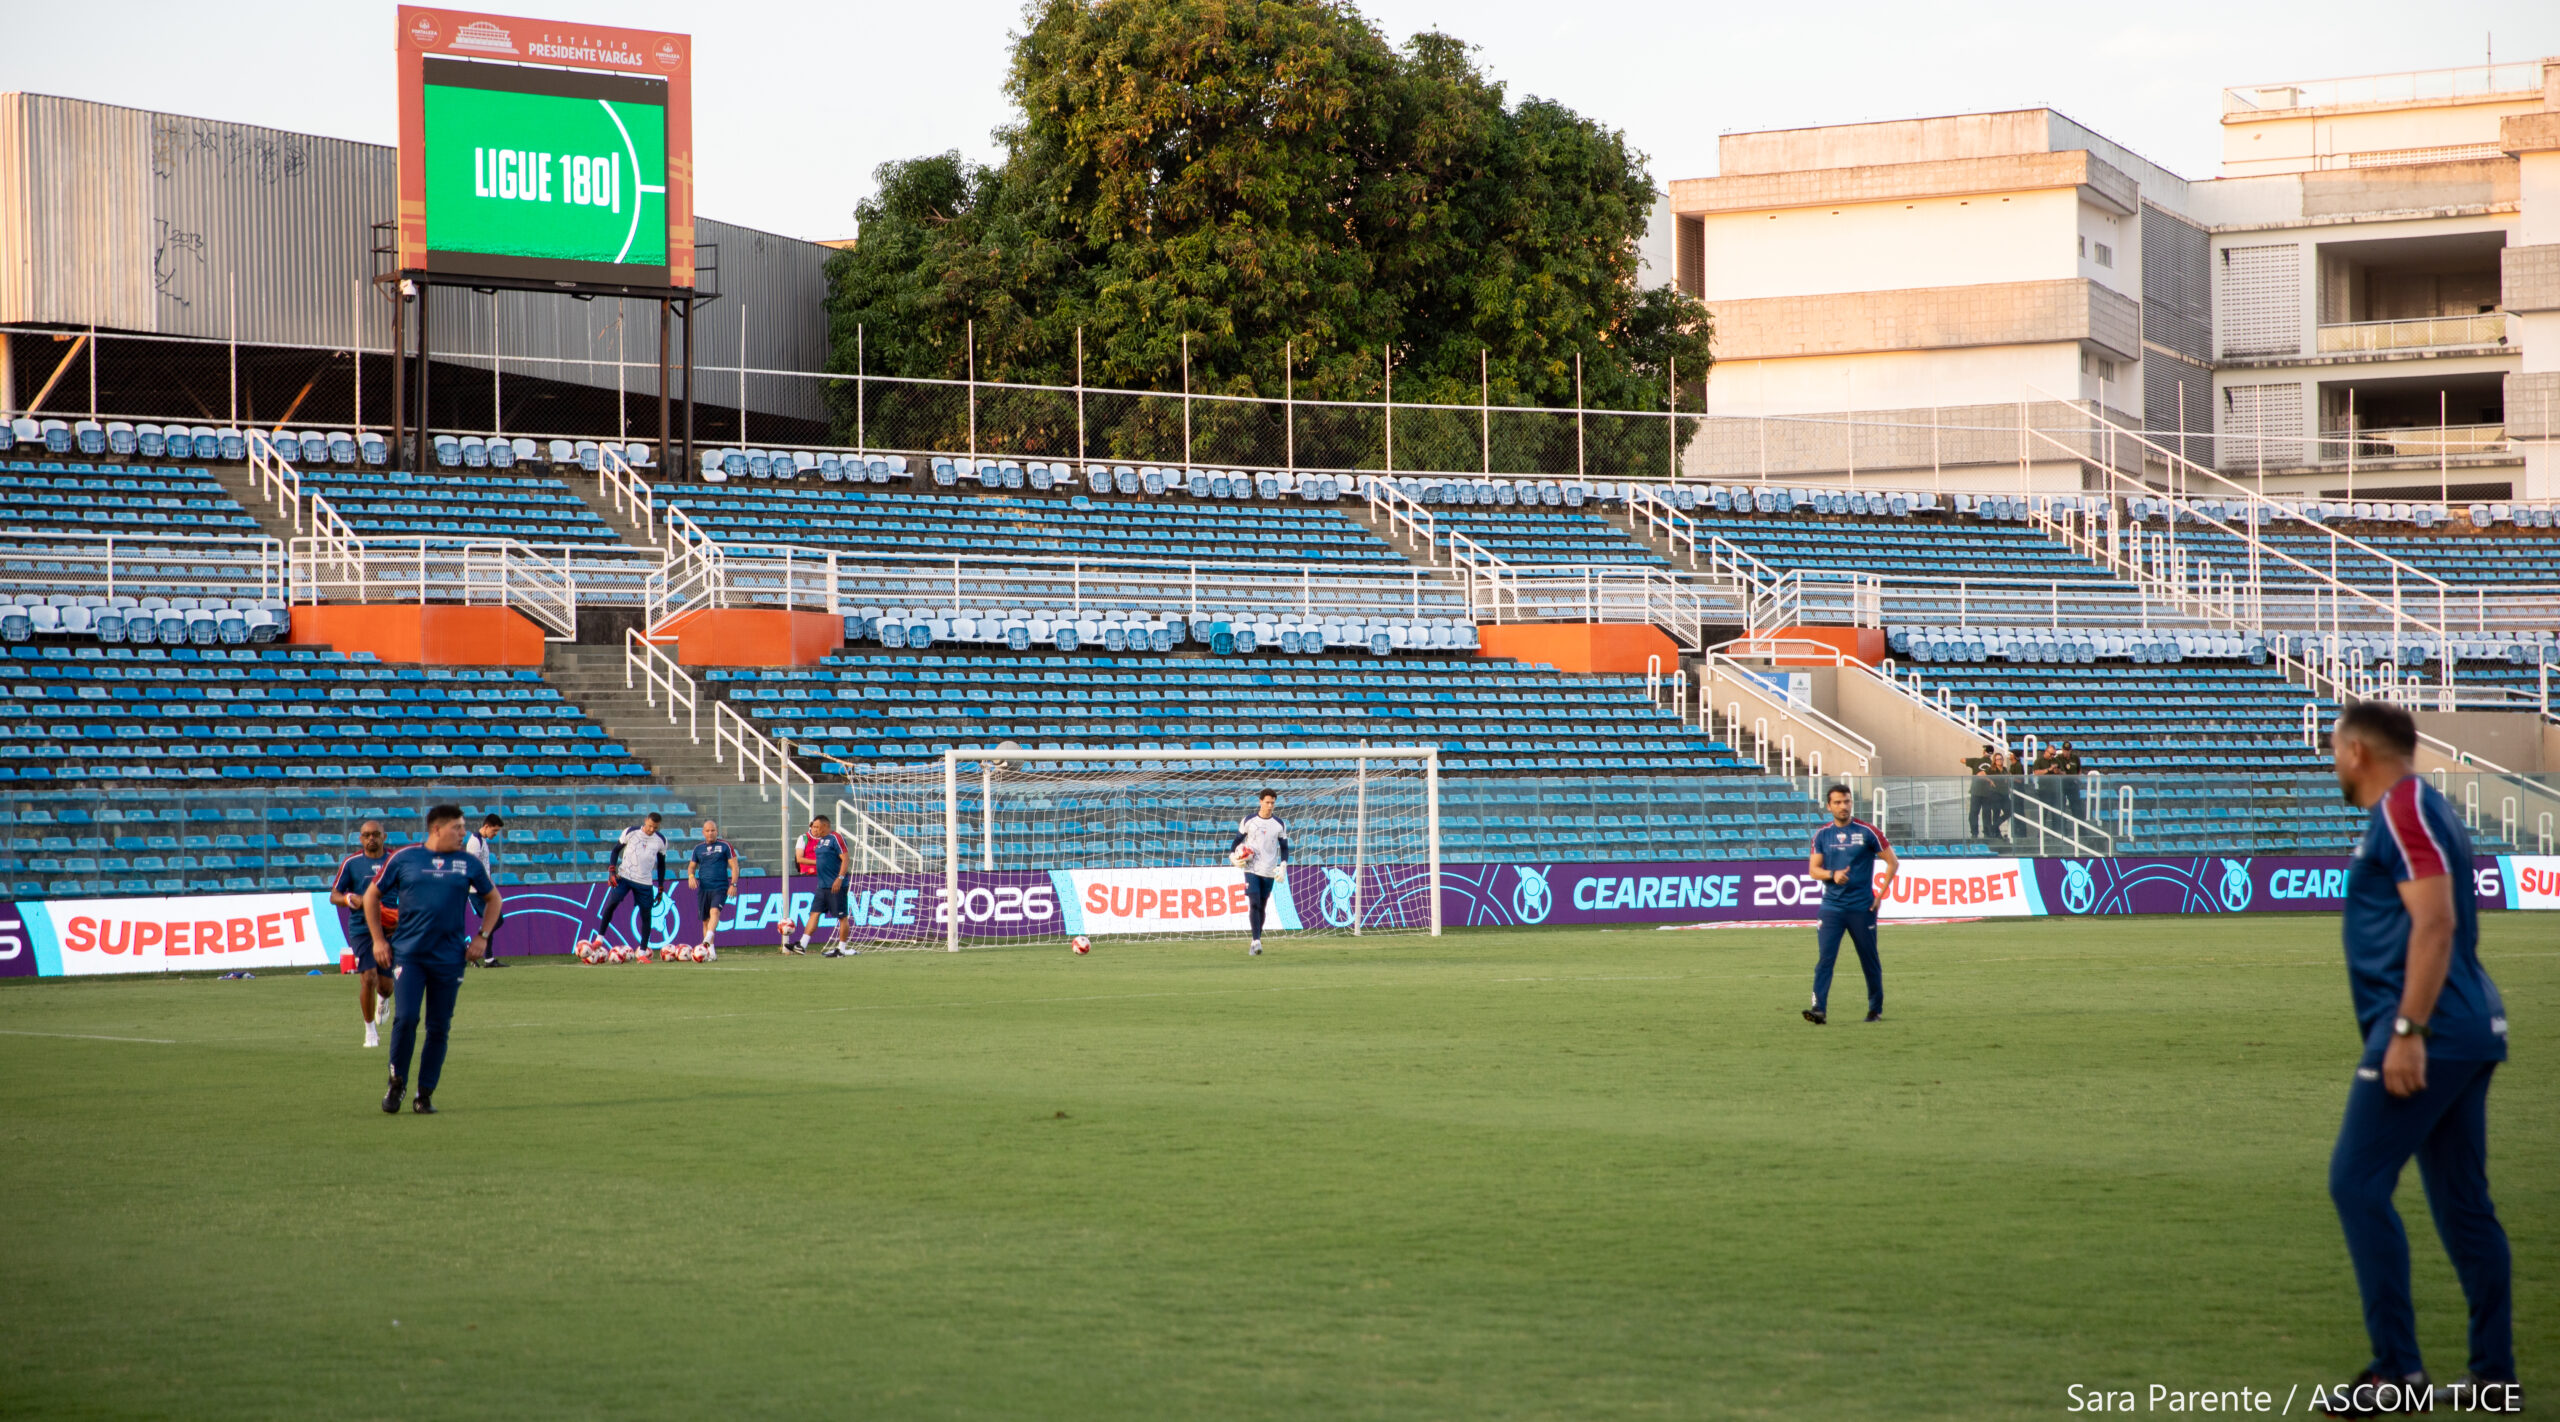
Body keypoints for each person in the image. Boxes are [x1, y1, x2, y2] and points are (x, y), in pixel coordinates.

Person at [2317, 700, 2514, 1416]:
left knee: (2356, 1182)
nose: (2331, 760)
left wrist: (2406, 1029)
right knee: (2464, 1206)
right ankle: (2494, 1378)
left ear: (2359, 752)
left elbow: (2435, 921)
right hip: (2465, 1025)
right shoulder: (2422, 808)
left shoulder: (2404, 810)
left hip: (2431, 1029)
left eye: (2334, 748)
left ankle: (2397, 1373)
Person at [365, 804, 499, 1115]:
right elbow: (372, 895)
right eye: (458, 828)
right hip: (410, 956)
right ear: (437, 829)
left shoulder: (467, 863)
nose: (463, 833)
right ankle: (396, 1082)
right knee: (407, 1018)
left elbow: (493, 899)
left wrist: (482, 936)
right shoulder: (405, 858)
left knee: (439, 1027)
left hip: (449, 958)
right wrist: (378, 940)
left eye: (464, 828)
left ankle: (424, 1094)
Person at [1803, 784, 1896, 1025]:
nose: (1843, 806)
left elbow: (1892, 862)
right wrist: (1832, 875)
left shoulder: (1867, 832)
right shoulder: (1822, 835)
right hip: (1832, 907)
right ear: (1828, 806)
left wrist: (1880, 894)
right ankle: (1818, 1009)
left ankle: (1875, 1010)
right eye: (1837, 802)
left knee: (1869, 959)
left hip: (1861, 908)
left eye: (1846, 801)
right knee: (1825, 959)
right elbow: (1814, 870)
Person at [329, 820, 391, 1048]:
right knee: (368, 978)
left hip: (390, 926)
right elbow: (334, 895)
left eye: (375, 834)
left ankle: (383, 999)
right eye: (366, 835)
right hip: (362, 927)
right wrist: (347, 899)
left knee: (386, 985)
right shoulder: (352, 863)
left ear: (384, 836)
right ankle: (370, 1031)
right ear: (360, 838)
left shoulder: (394, 861)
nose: (371, 838)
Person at [594, 811, 670, 954]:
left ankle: (642, 952)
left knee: (646, 916)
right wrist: (611, 871)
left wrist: (660, 886)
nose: (652, 830)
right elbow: (615, 851)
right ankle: (599, 938)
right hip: (625, 877)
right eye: (649, 826)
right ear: (645, 820)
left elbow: (661, 865)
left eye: (655, 827)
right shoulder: (631, 832)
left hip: (645, 882)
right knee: (612, 903)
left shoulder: (661, 840)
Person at [783, 815, 853, 957]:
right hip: (822, 885)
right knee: (814, 913)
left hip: (836, 885)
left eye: (816, 826)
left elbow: (845, 858)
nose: (814, 829)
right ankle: (802, 945)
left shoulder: (836, 838)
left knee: (842, 917)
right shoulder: (820, 842)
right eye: (812, 827)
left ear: (825, 826)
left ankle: (841, 949)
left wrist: (840, 878)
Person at [1230, 789, 1289, 956]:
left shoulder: (1279, 824)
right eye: (1267, 802)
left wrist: (1283, 865)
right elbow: (1236, 842)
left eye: (1273, 803)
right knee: (1254, 902)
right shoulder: (1249, 821)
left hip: (1269, 870)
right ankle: (1256, 941)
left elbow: (1284, 848)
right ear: (1260, 801)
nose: (1270, 806)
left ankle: (1255, 940)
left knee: (1262, 906)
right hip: (1251, 869)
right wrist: (1232, 857)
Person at [687, 819, 737, 960]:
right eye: (707, 831)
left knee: (714, 911)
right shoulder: (698, 849)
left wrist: (733, 884)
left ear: (717, 831)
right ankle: (711, 953)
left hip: (720, 887)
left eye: (713, 830)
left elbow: (734, 866)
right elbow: (691, 867)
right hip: (704, 888)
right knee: (705, 921)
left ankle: (707, 938)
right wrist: (691, 876)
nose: (710, 833)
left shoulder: (725, 846)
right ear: (703, 832)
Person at [463, 813, 507, 967]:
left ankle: (488, 959)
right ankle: (473, 949)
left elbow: (483, 868)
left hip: (482, 889)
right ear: (486, 826)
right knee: (495, 920)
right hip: (476, 891)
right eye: (494, 831)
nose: (495, 834)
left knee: (492, 921)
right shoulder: (475, 842)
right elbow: (472, 867)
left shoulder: (482, 841)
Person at [1964, 746, 2000, 842]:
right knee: (1987, 813)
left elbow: (1962, 760)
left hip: (1976, 791)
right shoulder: (1993, 764)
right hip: (1988, 792)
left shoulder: (1976, 761)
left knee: (1974, 813)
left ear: (1984, 751)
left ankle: (1974, 834)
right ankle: (1987, 833)